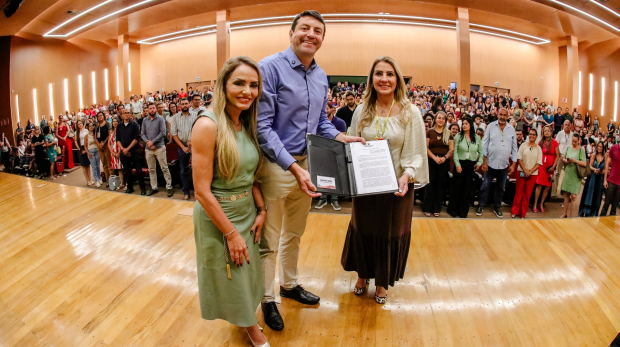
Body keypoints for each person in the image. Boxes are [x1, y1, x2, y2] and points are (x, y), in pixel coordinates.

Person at [256, 10, 364, 331]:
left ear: (322, 39)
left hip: (306, 164)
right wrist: (291, 166)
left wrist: (341, 136)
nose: (311, 34)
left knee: (295, 232)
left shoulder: (320, 76)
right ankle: (267, 299)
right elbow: (263, 127)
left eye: (317, 31)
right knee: (270, 239)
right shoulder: (270, 68)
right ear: (291, 33)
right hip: (276, 167)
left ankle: (289, 285)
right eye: (304, 28)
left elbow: (320, 123)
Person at [191, 56, 270, 347]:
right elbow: (202, 191)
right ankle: (251, 328)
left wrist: (261, 210)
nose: (247, 91)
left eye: (253, 85)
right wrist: (231, 233)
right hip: (219, 217)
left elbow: (252, 177)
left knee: (247, 272)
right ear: (223, 84)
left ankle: (246, 317)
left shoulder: (245, 123)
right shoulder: (207, 125)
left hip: (247, 211)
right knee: (233, 274)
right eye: (239, 83)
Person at [342, 56, 428, 304]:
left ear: (397, 79)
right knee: (363, 228)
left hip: (396, 187)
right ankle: (362, 275)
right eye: (378, 73)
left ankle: (381, 281)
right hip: (366, 184)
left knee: (388, 232)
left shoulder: (411, 112)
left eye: (390, 74)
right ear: (371, 79)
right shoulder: (362, 110)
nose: (384, 79)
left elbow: (416, 152)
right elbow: (352, 143)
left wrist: (407, 175)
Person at [476, 108, 518, 218]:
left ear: (508, 116)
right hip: (490, 163)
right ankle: (481, 205)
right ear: (497, 114)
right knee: (485, 186)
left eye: (505, 115)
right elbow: (484, 145)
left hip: (504, 165)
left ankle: (497, 207)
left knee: (501, 188)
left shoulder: (511, 129)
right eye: (501, 114)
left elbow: (514, 148)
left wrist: (513, 164)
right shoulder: (490, 126)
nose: (502, 117)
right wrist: (484, 161)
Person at [448, 117, 482, 218]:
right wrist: (457, 165)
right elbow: (455, 152)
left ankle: (463, 211)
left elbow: (481, 152)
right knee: (457, 188)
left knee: (466, 189)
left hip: (470, 165)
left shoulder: (476, 138)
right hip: (460, 163)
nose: (464, 125)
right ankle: (453, 210)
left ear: (471, 125)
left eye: (466, 124)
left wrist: (479, 162)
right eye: (463, 124)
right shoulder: (458, 136)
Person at [315, 102, 347, 211]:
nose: (325, 110)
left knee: (335, 176)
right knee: (322, 175)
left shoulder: (340, 122)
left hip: (335, 152)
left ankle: (334, 199)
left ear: (332, 109)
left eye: (327, 108)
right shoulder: (317, 122)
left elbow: (342, 138)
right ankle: (323, 198)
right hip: (321, 151)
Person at [423, 111, 454, 217]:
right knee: (430, 184)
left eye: (443, 118)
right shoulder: (429, 132)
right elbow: (426, 147)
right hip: (431, 160)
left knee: (440, 185)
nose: (441, 120)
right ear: (435, 119)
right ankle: (427, 207)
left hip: (443, 161)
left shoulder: (448, 133)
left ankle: (437, 208)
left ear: (445, 121)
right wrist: (434, 157)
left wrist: (444, 158)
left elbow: (451, 149)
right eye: (439, 118)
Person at [141, 102, 174, 197]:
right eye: (150, 108)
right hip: (148, 149)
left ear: (155, 109)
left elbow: (163, 133)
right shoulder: (144, 120)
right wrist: (148, 142)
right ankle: (154, 187)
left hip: (159, 147)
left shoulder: (160, 119)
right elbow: (142, 133)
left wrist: (153, 142)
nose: (152, 110)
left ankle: (169, 187)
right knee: (151, 169)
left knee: (164, 168)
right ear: (147, 110)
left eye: (153, 108)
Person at [170, 98, 198, 200]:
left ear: (189, 104)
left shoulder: (196, 116)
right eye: (182, 104)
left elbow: (199, 130)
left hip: (195, 145)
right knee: (184, 170)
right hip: (182, 146)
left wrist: (192, 142)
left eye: (186, 103)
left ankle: (197, 191)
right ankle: (186, 192)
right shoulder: (176, 117)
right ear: (180, 106)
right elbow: (174, 134)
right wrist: (183, 147)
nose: (184, 105)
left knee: (197, 169)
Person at [511, 128, 542, 218]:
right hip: (521, 172)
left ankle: (522, 213)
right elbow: (519, 158)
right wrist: (525, 170)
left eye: (533, 134)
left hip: (532, 174)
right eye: (530, 134)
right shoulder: (523, 145)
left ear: (536, 136)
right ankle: (514, 211)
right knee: (518, 193)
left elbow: (539, 162)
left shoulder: (538, 148)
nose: (532, 136)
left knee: (527, 194)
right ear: (528, 135)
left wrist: (530, 171)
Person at [116, 108, 146, 195]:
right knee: (127, 171)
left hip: (134, 150)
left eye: (128, 113)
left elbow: (136, 139)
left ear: (130, 114)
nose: (126, 114)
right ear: (122, 115)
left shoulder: (134, 124)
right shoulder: (119, 126)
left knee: (138, 170)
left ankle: (142, 188)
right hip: (123, 151)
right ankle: (130, 188)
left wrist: (127, 149)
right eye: (125, 113)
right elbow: (118, 140)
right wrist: (123, 149)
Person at [532, 125, 560, 212]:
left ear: (551, 132)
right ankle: (535, 203)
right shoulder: (540, 142)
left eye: (548, 131)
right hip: (542, 166)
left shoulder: (555, 142)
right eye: (545, 131)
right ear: (543, 133)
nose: (546, 132)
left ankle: (541, 203)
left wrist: (554, 166)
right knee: (539, 185)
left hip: (550, 168)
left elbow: (557, 156)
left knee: (547, 187)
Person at [560, 134, 587, 218]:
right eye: (572, 141)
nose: (573, 143)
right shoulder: (568, 148)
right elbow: (564, 158)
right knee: (566, 194)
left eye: (575, 141)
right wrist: (565, 160)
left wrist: (575, 160)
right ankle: (565, 213)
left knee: (574, 196)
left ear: (579, 141)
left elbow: (584, 163)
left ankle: (572, 215)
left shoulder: (581, 150)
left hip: (576, 174)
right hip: (568, 172)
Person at [578, 142, 607, 216]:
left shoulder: (605, 157)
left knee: (597, 194)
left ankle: (594, 212)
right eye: (598, 147)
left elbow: (605, 169)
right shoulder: (594, 155)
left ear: (603, 148)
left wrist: (601, 172)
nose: (600, 148)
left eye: (601, 147)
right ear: (596, 147)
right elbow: (590, 166)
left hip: (600, 178)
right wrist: (595, 170)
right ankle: (586, 211)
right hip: (592, 177)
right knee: (589, 193)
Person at [552, 120, 573, 197]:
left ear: (570, 126)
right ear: (563, 125)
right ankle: (555, 191)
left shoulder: (572, 135)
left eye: (568, 125)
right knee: (557, 173)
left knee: (567, 174)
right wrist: (558, 154)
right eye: (565, 125)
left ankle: (563, 190)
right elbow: (556, 144)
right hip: (560, 155)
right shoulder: (560, 133)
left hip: (569, 157)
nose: (567, 126)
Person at [601, 139, 620, 216]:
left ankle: (610, 227)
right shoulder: (613, 148)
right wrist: (605, 180)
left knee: (614, 208)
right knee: (606, 205)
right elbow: (607, 164)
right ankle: (600, 225)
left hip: (619, 185)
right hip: (611, 181)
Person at [95, 112, 112, 186]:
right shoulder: (97, 126)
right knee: (104, 164)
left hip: (107, 146)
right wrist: (98, 144)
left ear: (104, 116)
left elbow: (110, 134)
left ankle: (112, 180)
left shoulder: (108, 124)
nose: (100, 117)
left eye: (101, 115)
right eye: (98, 116)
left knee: (109, 164)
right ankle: (108, 180)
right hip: (100, 147)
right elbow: (95, 137)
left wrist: (104, 143)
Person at [108, 116, 124, 191]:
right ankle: (121, 183)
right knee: (118, 169)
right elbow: (109, 144)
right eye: (113, 121)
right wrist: (112, 152)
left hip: (120, 150)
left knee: (122, 168)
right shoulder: (111, 132)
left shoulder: (121, 130)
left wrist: (119, 152)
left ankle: (125, 183)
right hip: (113, 151)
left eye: (116, 121)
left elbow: (123, 142)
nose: (115, 123)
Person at [75, 120, 94, 185]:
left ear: (83, 124)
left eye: (80, 123)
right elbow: (75, 141)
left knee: (88, 165)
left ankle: (90, 179)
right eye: (78, 124)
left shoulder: (86, 130)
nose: (79, 125)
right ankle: (87, 180)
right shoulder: (76, 132)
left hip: (87, 146)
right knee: (84, 165)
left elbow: (89, 138)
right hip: (81, 147)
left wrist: (87, 149)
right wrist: (80, 149)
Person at [84, 121, 102, 187]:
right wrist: (88, 153)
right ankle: (96, 180)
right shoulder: (86, 136)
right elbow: (85, 146)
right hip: (90, 151)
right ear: (88, 127)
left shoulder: (96, 134)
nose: (91, 127)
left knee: (98, 165)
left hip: (97, 150)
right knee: (94, 166)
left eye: (92, 126)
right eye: (90, 126)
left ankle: (99, 178)